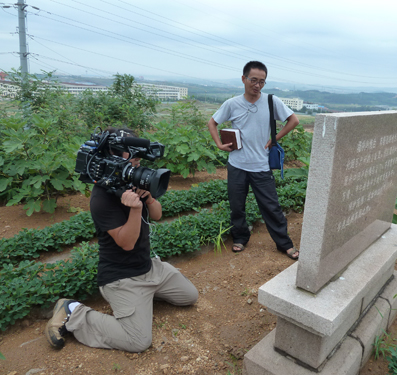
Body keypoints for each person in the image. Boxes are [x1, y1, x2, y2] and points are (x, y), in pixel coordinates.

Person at [44, 128, 198, 352]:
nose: (136, 164)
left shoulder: (130, 181)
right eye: (132, 158)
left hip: (149, 268)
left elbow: (157, 215)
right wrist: (135, 210)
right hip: (121, 277)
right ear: (112, 155)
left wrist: (149, 199)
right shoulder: (101, 197)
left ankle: (145, 298)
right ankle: (73, 311)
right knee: (138, 341)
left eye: (137, 158)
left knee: (189, 296)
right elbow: (126, 243)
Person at [207, 61, 300, 260]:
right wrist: (219, 144)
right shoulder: (232, 104)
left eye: (262, 82)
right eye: (253, 80)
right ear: (244, 79)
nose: (257, 85)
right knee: (237, 205)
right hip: (237, 165)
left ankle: (284, 244)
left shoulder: (271, 101)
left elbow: (294, 120)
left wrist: (274, 139)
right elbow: (212, 122)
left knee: (271, 206)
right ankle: (240, 238)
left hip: (261, 165)